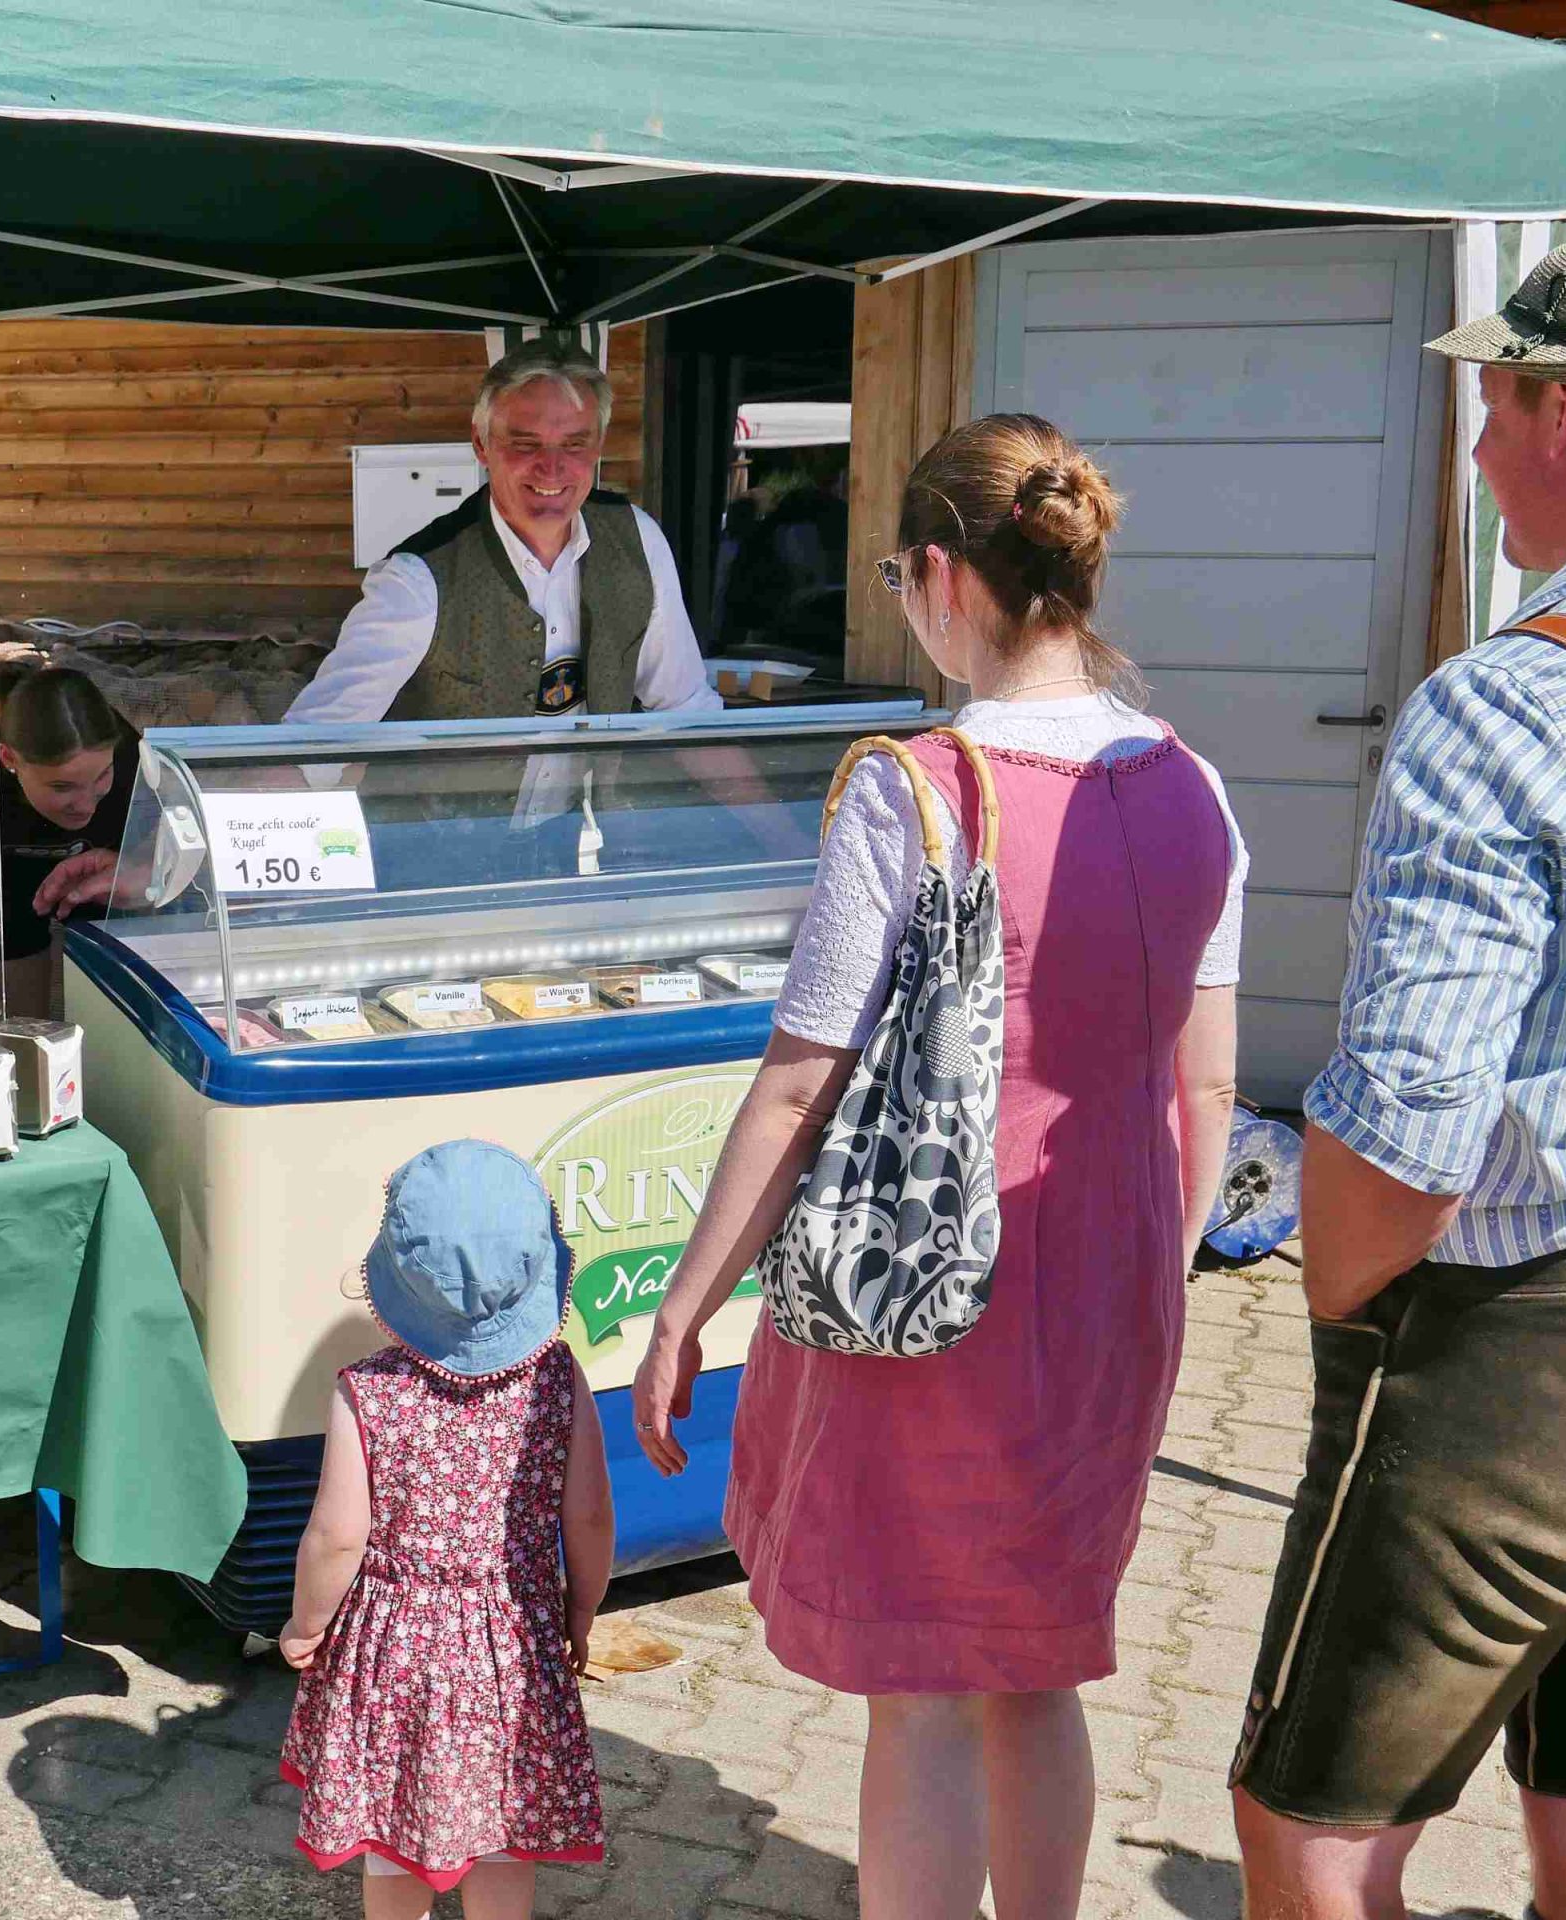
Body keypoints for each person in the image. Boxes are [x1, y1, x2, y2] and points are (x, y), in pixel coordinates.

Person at [629, 414, 1247, 1920]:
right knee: (1034, 1667)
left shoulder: (911, 790)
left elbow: (799, 1085)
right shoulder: (1196, 785)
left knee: (920, 1689)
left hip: (930, 1279)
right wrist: (1155, 1276)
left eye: (901, 579)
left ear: (943, 578)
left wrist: (683, 1307)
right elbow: (1209, 1085)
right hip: (1110, 1270)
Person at [1231, 196, 1566, 1920]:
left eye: (1494, 401)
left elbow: (1408, 1130)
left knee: (1316, 1841)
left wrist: (1350, 1314)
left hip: (1518, 1340)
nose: (1475, 446)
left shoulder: (1509, 702)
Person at [279, 1139, 614, 1920]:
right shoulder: (558, 1380)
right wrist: (582, 1608)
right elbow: (591, 1515)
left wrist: (306, 1623)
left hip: (394, 1657)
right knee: (504, 1831)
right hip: (514, 1647)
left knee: (391, 1828)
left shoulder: (367, 1392)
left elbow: (336, 1537)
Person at [285, 337, 723, 724]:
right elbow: (314, 745)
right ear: (481, 444)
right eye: (525, 444)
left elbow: (686, 709)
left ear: (598, 446)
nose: (552, 467)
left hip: (591, 798)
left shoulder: (637, 542)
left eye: (575, 444)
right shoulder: (417, 581)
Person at [0, 657, 141, 932]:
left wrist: (140, 874)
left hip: (103, 905)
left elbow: (163, 857)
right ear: (9, 758)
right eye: (62, 786)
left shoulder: (134, 762)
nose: (87, 806)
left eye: (102, 775)